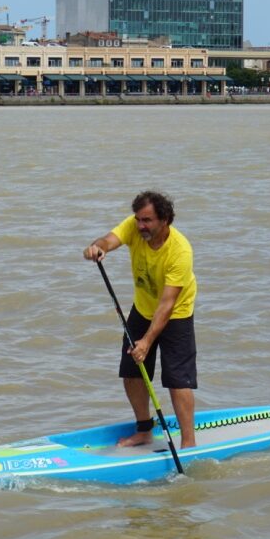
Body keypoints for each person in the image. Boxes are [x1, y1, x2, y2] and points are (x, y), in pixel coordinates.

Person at [83, 191, 197, 448]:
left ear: (165, 219)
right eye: (138, 220)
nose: (141, 225)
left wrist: (146, 341)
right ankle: (144, 430)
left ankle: (188, 442)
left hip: (176, 314)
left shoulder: (180, 251)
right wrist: (97, 248)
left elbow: (167, 305)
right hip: (143, 310)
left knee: (177, 380)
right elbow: (108, 240)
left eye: (147, 221)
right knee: (132, 372)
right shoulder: (134, 227)